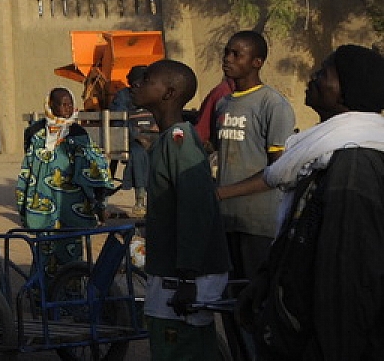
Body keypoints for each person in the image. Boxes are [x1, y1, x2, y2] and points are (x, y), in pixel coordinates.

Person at [217, 44, 384, 360]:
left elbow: (347, 286)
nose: (314, 78)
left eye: (324, 73)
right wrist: (267, 280)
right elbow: (299, 234)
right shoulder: (325, 155)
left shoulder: (353, 168)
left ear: (345, 92)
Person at [130, 60, 229, 361]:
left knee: (179, 348)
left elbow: (196, 211)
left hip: (183, 276)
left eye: (147, 79)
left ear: (169, 92)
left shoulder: (179, 142)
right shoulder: (167, 140)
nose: (138, 84)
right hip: (174, 271)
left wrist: (187, 279)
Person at [212, 30, 294, 283]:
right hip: (226, 218)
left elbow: (278, 169)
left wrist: (222, 193)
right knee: (230, 295)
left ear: (257, 62)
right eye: (226, 52)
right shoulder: (223, 104)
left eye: (237, 54)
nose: (228, 59)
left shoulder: (273, 104)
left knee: (255, 294)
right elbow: (218, 152)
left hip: (258, 222)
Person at [15, 87, 118, 269]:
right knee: (44, 252)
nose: (67, 108)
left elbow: (94, 168)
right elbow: (28, 168)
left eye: (70, 104)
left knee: (71, 253)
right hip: (43, 204)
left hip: (72, 206)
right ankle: (42, 295)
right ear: (51, 105)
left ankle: (70, 294)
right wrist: (23, 200)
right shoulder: (35, 132)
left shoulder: (78, 133)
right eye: (62, 104)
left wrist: (100, 201)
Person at [109, 64, 156, 216]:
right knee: (138, 152)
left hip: (153, 137)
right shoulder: (123, 96)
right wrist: (136, 135)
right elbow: (118, 121)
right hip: (130, 139)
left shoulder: (152, 95)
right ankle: (140, 197)